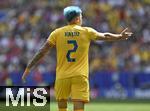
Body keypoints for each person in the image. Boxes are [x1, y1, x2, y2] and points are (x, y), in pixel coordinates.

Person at [22, 6, 132, 111]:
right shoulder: (86, 31)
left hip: (62, 77)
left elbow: (42, 51)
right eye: (81, 16)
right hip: (80, 76)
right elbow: (105, 36)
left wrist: (28, 67)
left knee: (62, 108)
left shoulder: (56, 33)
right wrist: (119, 37)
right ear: (78, 18)